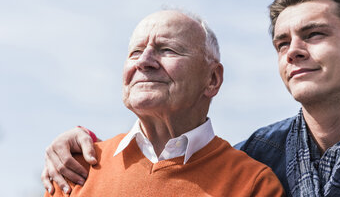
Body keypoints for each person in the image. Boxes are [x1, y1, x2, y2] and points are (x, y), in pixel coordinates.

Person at [43, 0, 340, 196]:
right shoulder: (261, 151)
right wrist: (79, 140)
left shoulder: (250, 177)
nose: (293, 51)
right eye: (282, 42)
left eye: (314, 34)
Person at [43, 10, 284, 196]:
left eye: (167, 50)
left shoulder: (252, 183)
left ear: (212, 79)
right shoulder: (73, 168)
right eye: (135, 52)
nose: (144, 61)